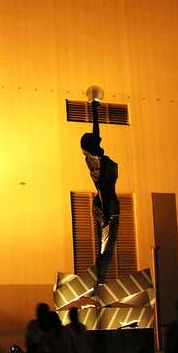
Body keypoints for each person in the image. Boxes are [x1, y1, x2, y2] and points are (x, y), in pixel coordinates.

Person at [80, 98, 119, 283]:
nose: (101, 140)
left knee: (106, 248)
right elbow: (103, 187)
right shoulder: (96, 163)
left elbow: (96, 134)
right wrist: (106, 214)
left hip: (106, 204)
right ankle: (99, 282)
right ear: (93, 146)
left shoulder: (95, 158)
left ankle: (99, 280)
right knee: (107, 248)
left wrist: (95, 110)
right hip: (107, 206)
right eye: (97, 142)